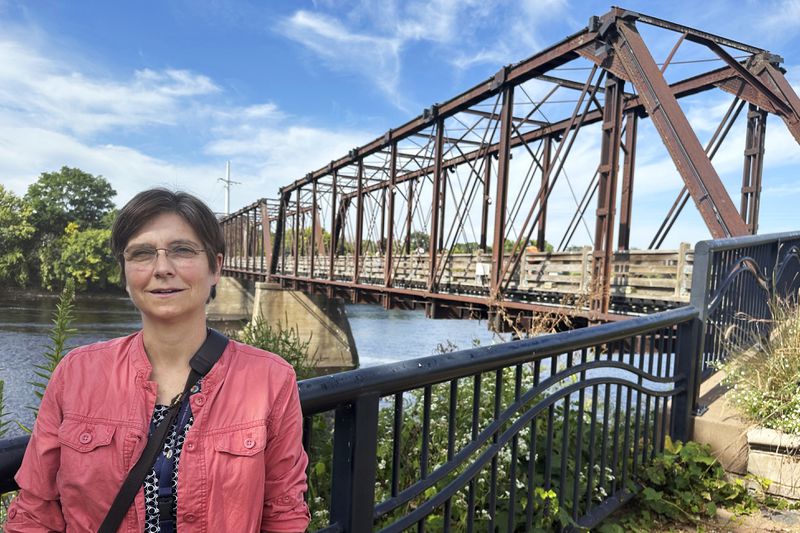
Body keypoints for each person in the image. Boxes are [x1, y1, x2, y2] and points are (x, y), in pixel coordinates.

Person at [7, 189, 310, 532]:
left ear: (216, 268)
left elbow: (283, 513)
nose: (162, 268)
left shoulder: (269, 379)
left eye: (182, 250)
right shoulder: (76, 374)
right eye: (142, 253)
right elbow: (36, 512)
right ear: (124, 274)